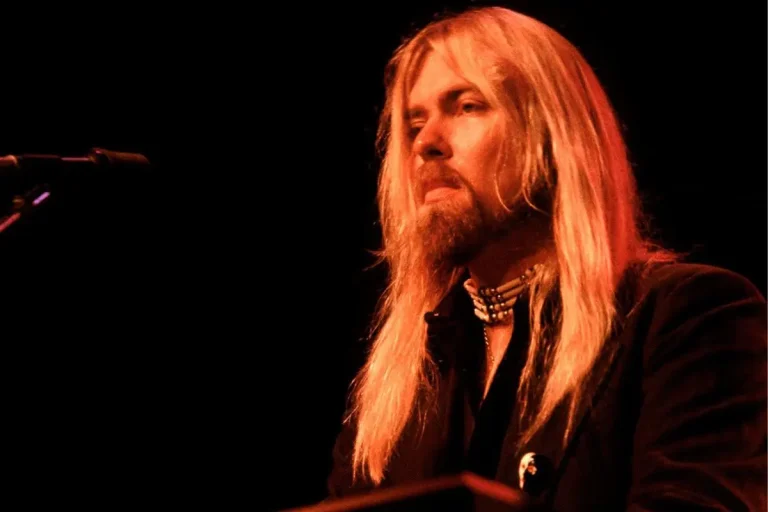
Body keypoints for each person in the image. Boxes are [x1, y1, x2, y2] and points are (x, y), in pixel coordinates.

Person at [326, 5, 767, 511]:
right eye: (414, 123)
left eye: (467, 106)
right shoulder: (403, 378)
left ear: (554, 133)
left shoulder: (690, 317)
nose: (426, 143)